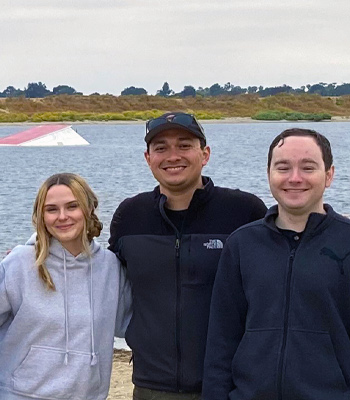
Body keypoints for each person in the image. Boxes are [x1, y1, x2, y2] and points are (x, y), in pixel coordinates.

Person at [203, 128, 350, 400]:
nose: (295, 178)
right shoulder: (242, 245)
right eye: (283, 167)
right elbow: (221, 342)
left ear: (329, 175)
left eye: (308, 167)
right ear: (269, 173)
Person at [109, 112, 265, 400]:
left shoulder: (244, 211)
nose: (172, 156)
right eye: (161, 148)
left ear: (204, 154)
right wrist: (38, 250)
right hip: (151, 386)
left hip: (231, 385)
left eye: (184, 145)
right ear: (147, 158)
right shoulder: (130, 216)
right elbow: (97, 271)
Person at [0, 173, 130, 400]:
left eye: (72, 206)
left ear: (88, 209)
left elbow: (130, 324)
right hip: (20, 394)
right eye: (52, 209)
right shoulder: (20, 262)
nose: (62, 216)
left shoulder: (110, 267)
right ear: (41, 215)